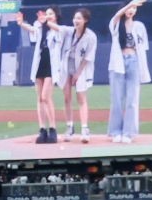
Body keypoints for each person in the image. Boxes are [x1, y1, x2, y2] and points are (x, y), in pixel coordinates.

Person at [16, 8, 64, 143]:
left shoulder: (59, 29)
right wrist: (21, 23)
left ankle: (53, 129)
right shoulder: (41, 28)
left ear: (56, 16)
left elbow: (59, 37)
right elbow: (33, 30)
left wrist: (46, 23)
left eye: (51, 14)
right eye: (47, 14)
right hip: (39, 63)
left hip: (51, 65)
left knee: (45, 97)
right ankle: (42, 129)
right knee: (39, 98)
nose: (48, 16)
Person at [108, 0, 150, 143]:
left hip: (134, 61)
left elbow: (143, 46)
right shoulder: (116, 23)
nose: (131, 10)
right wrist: (129, 4)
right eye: (129, 7)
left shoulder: (139, 26)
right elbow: (116, 16)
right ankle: (115, 132)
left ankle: (128, 133)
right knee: (116, 99)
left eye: (134, 8)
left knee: (132, 100)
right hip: (117, 62)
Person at [59, 8, 98, 141]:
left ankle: (84, 128)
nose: (76, 21)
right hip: (66, 66)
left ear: (85, 20)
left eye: (79, 18)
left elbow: (88, 57)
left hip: (81, 67)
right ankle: (69, 126)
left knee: (81, 97)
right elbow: (58, 28)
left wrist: (77, 73)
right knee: (67, 98)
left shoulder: (91, 36)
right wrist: (47, 21)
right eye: (75, 18)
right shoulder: (69, 32)